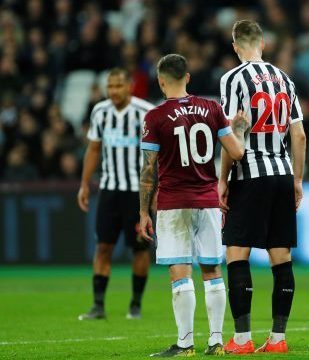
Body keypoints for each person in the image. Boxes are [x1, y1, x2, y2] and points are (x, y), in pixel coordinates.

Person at [139, 54, 250, 357]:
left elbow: (148, 171)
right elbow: (237, 152)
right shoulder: (213, 109)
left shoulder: (155, 117)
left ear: (161, 81)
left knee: (180, 272)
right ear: (188, 77)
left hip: (174, 203)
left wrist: (142, 212)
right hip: (208, 200)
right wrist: (239, 127)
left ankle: (185, 344)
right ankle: (216, 343)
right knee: (212, 271)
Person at [218, 20, 306, 354]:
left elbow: (231, 133)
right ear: (263, 44)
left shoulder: (233, 78)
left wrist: (222, 179)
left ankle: (241, 340)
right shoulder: (285, 79)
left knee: (237, 254)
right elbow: (298, 135)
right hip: (282, 172)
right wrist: (297, 180)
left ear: (236, 46)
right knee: (281, 258)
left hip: (249, 173)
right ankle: (278, 340)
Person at [77, 68, 154, 321]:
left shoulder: (145, 112)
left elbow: (156, 156)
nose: (114, 91)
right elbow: (94, 149)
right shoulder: (100, 111)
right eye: (110, 87)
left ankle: (136, 304)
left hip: (137, 192)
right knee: (103, 247)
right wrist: (85, 184)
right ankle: (98, 305)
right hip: (109, 190)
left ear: (130, 86)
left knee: (140, 249)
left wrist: (155, 190)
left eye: (118, 86)